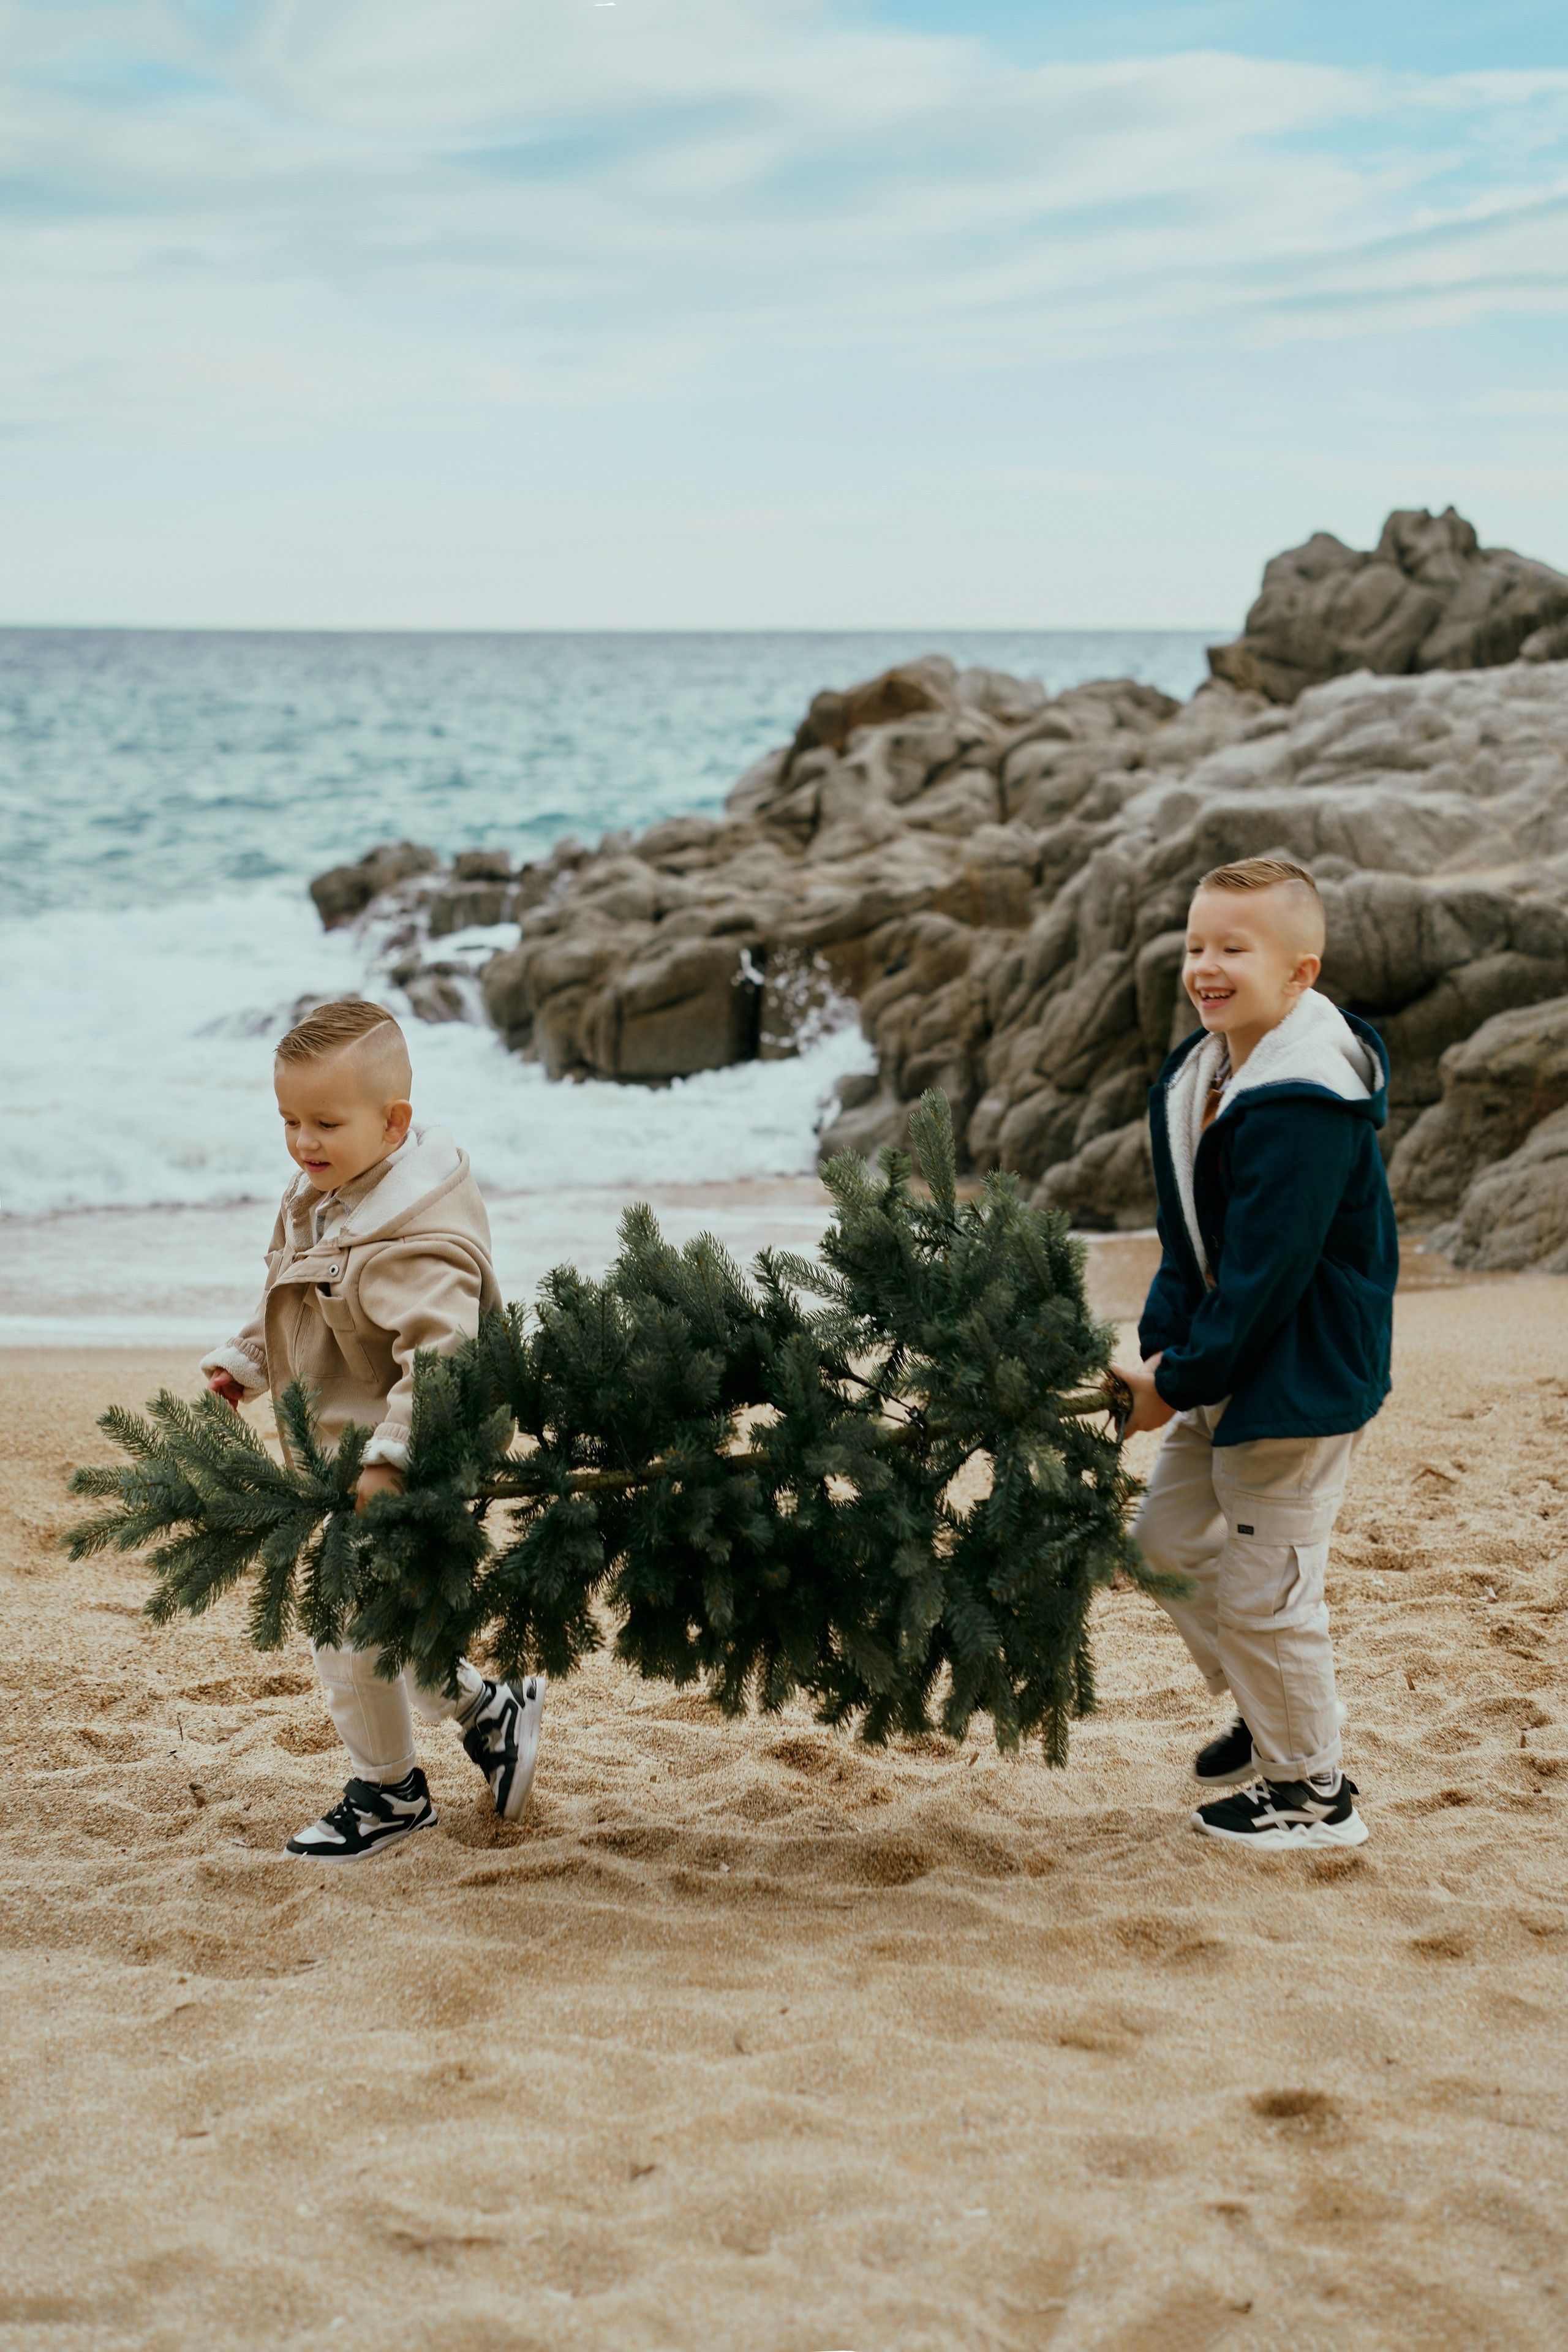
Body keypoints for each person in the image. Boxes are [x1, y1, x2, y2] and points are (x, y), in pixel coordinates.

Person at [202, 998, 545, 1861]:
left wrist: (393, 1459)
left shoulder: (410, 1239)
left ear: (395, 1123)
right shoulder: (328, 1192)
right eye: (288, 1120)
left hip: (410, 1450)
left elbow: (443, 1356)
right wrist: (245, 1357)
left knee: (348, 1628)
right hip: (352, 1453)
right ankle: (484, 1711)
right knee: (374, 1623)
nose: (303, 1141)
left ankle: (392, 1794)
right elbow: (291, 1285)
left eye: (325, 1121)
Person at [1114, 856, 1396, 1852]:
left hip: (1297, 1380)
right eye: (1196, 945)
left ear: (1300, 974)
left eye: (1236, 947)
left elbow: (1269, 1276)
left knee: (1270, 1597)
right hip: (1227, 1364)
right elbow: (1190, 1237)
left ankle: (1313, 1798)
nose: (1208, 965)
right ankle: (1270, 1716)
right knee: (1165, 1546)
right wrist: (1163, 1351)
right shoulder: (1207, 1073)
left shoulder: (1305, 1102)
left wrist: (1180, 1380)